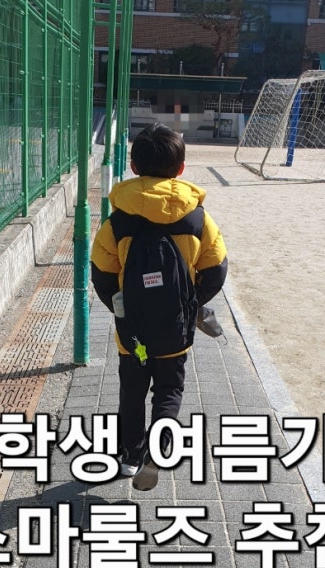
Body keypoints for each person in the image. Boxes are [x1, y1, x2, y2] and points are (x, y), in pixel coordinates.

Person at [91, 123, 228, 490]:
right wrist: (191, 304)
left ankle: (129, 456)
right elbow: (216, 269)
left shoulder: (117, 221)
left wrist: (121, 308)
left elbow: (102, 273)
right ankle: (160, 446)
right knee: (169, 390)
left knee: (132, 392)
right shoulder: (198, 219)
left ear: (134, 167)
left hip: (132, 332)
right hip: (175, 330)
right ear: (180, 169)